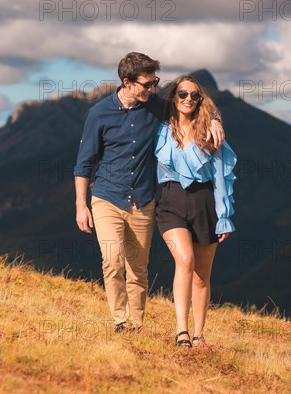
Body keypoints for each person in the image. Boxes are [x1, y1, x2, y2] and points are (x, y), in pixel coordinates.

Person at [74, 53, 224, 333]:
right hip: (106, 196)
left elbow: (191, 104)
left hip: (143, 200)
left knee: (138, 269)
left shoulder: (156, 106)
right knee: (112, 259)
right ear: (127, 82)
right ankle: (120, 321)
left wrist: (214, 118)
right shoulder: (98, 114)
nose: (153, 89)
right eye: (147, 84)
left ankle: (136, 324)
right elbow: (83, 163)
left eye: (155, 82)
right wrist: (81, 205)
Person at [155, 75, 237, 347]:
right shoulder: (161, 129)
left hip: (204, 203)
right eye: (182, 94)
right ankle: (182, 332)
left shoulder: (210, 133)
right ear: (173, 98)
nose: (188, 99)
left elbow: (221, 177)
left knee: (202, 277)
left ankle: (200, 334)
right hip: (170, 201)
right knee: (185, 260)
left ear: (200, 100)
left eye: (194, 95)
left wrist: (224, 217)